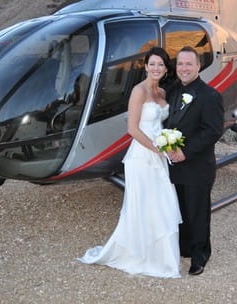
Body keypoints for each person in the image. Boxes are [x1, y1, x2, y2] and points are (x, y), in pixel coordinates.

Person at [78, 47, 182, 278]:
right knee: (143, 206)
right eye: (152, 64)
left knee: (161, 204)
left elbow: (163, 126)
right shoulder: (139, 91)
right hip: (142, 157)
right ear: (145, 67)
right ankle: (141, 255)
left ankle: (164, 259)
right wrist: (157, 148)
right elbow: (133, 129)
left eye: (161, 65)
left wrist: (169, 145)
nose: (156, 68)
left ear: (166, 69)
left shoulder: (163, 93)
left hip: (160, 157)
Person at [166, 46, 224, 276]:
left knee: (197, 213)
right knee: (179, 211)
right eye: (180, 64)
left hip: (197, 166)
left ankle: (199, 257)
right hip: (174, 165)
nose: (184, 68)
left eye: (189, 64)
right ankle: (185, 249)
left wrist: (185, 152)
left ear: (198, 66)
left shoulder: (210, 96)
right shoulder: (172, 92)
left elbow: (212, 131)